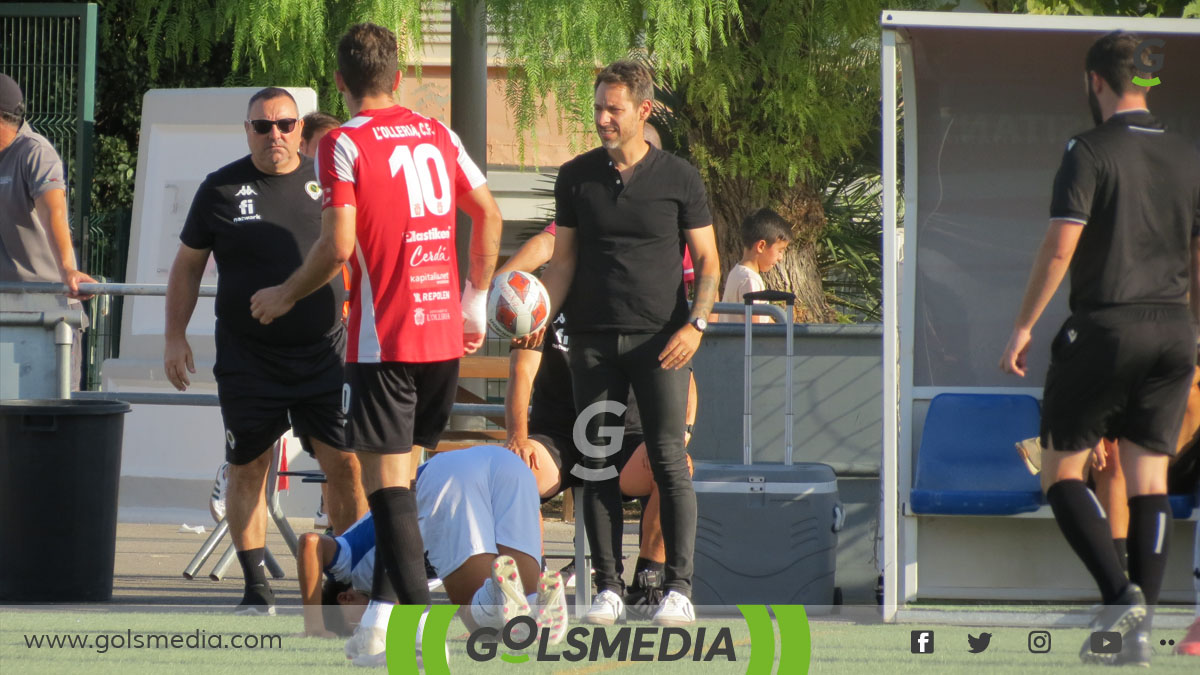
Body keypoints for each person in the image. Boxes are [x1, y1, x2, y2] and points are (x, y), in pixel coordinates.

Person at [248, 23, 502, 667]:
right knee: (406, 485)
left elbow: (337, 247)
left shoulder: (341, 143)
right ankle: (379, 625)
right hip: (444, 330)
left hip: (385, 336)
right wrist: (474, 300)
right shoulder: (439, 133)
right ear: (398, 74)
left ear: (339, 82)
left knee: (389, 492)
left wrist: (282, 294)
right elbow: (489, 214)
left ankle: (419, 630)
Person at [999, 31, 1200, 667]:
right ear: (1148, 84)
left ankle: (1120, 599)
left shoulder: (1087, 150)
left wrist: (1024, 324)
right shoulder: (1189, 155)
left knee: (1060, 472)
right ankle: (1134, 638)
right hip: (1175, 332)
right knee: (1150, 479)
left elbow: (1061, 245)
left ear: (1095, 82)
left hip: (1107, 329)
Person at [164, 87, 367, 616]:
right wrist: (174, 336)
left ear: (300, 128)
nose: (273, 134)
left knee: (344, 464)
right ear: (247, 130)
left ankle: (347, 580)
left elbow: (362, 252)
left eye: (283, 123)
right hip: (248, 358)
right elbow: (187, 266)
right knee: (247, 465)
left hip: (325, 353)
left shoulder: (332, 182)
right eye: (261, 126)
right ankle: (256, 586)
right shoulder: (220, 188)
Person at [535, 59, 720, 627]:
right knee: (595, 463)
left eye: (614, 109)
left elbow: (710, 262)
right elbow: (563, 262)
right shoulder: (576, 175)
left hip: (662, 342)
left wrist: (696, 325)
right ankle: (609, 588)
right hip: (591, 342)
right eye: (597, 108)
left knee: (669, 461)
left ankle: (678, 589)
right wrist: (539, 314)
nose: (603, 119)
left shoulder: (680, 177)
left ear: (643, 110)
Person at [500, 217, 699, 617]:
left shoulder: (644, 304)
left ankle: (648, 580)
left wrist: (682, 433)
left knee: (675, 465)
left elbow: (686, 377)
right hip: (557, 434)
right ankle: (536, 586)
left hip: (624, 436)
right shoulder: (548, 297)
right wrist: (517, 436)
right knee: (512, 471)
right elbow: (521, 373)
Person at [296, 445, 567, 645]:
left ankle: (494, 594)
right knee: (524, 602)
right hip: (505, 462)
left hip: (446, 479)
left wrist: (314, 625)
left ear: (343, 598)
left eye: (353, 625)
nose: (360, 627)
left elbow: (309, 543)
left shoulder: (347, 569)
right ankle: (541, 607)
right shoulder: (401, 590)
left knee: (479, 625)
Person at [0, 72, 97, 388]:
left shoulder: (34, 152)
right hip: (5, 308)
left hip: (46, 315)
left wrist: (68, 269)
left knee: (48, 417)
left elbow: (53, 210)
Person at [713, 208, 792, 323]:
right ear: (761, 246)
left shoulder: (737, 272)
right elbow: (755, 328)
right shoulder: (750, 280)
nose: (781, 258)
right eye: (780, 250)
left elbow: (763, 318)